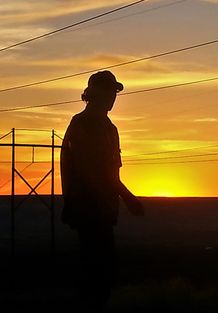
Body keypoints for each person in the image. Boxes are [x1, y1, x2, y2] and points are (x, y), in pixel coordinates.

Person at [60, 70, 144, 310]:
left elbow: (111, 172)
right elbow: (92, 172)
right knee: (96, 272)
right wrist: (128, 198)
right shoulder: (83, 124)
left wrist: (124, 199)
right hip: (89, 209)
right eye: (109, 91)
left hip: (104, 210)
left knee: (102, 270)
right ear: (94, 94)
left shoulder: (109, 128)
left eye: (115, 92)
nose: (113, 97)